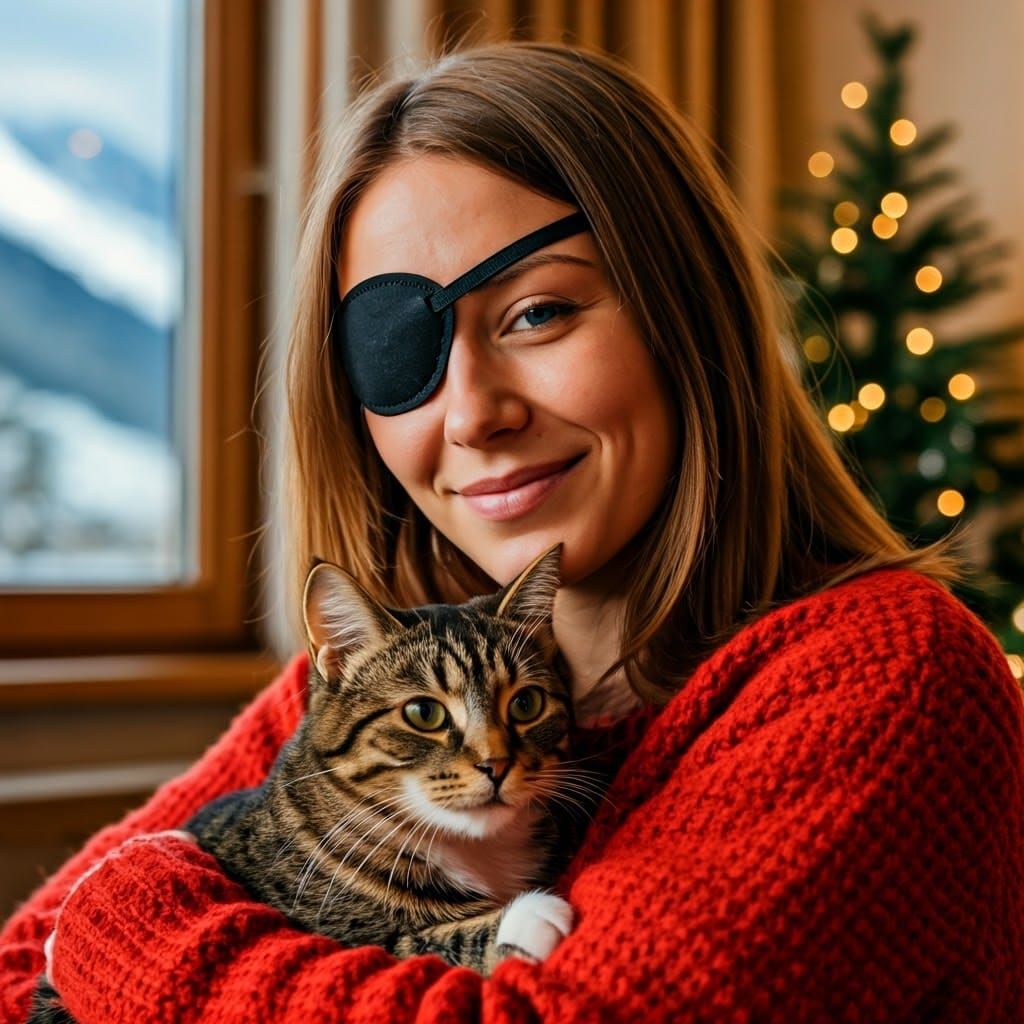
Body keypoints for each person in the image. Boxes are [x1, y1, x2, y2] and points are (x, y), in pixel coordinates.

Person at [3, 39, 1022, 1023]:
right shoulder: (388, 677)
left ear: (684, 311)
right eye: (404, 351)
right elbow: (16, 971)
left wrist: (134, 933)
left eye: (537, 314)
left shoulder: (886, 680)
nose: (472, 411)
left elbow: (100, 922)